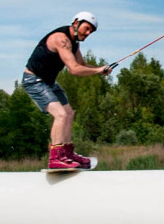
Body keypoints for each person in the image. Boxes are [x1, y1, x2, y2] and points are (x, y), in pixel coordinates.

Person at [23, 11, 113, 169]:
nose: (88, 33)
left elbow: (82, 65)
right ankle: (55, 157)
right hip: (34, 81)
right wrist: (98, 71)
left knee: (69, 113)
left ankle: (67, 153)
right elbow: (74, 69)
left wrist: (101, 69)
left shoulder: (74, 42)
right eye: (87, 28)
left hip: (48, 82)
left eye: (91, 31)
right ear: (76, 23)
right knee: (61, 114)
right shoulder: (61, 39)